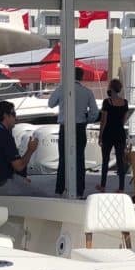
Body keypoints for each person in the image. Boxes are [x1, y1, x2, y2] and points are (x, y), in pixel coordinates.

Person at [48, 66, 100, 198]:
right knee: (80, 159)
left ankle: (60, 189)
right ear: (81, 77)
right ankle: (79, 190)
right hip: (80, 127)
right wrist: (87, 120)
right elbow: (94, 112)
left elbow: (50, 103)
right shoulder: (87, 92)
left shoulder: (62, 89)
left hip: (65, 127)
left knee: (63, 158)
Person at [0, 100, 38, 195]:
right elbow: (19, 166)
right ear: (5, 116)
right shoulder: (4, 135)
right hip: (2, 185)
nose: (15, 118)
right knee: (40, 198)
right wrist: (30, 150)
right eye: (13, 114)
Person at [97, 79, 130, 193]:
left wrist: (100, 135)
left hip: (108, 133)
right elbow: (124, 120)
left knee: (105, 160)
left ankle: (103, 185)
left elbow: (103, 120)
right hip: (120, 133)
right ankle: (121, 187)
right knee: (120, 160)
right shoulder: (125, 103)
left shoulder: (107, 102)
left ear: (111, 88)